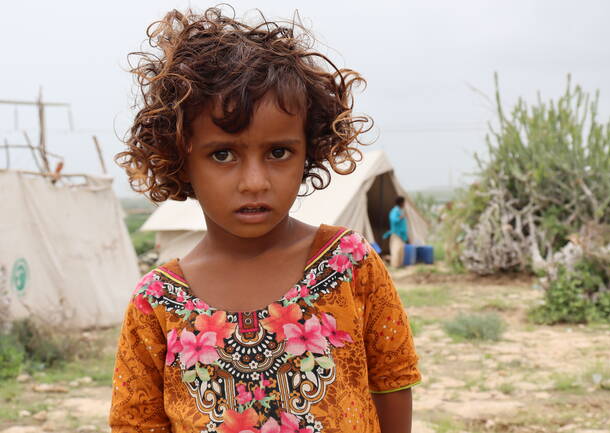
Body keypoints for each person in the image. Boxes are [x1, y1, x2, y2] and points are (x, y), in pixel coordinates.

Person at [110, 8, 420, 433]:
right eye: (223, 154)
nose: (254, 182)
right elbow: (136, 423)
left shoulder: (350, 264)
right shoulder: (157, 303)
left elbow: (392, 381)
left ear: (308, 153)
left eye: (278, 152)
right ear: (182, 160)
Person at [383, 197, 409, 268]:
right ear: (401, 203)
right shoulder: (395, 211)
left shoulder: (400, 211)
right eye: (404, 202)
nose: (404, 204)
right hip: (396, 233)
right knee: (396, 249)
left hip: (401, 234)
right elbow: (393, 219)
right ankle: (395, 265)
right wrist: (400, 217)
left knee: (401, 249)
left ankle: (400, 264)